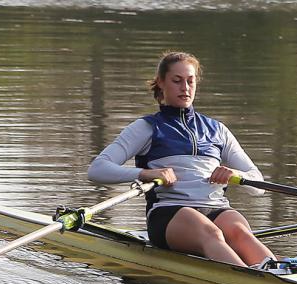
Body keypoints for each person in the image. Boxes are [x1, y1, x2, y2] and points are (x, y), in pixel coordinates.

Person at [88, 51, 275, 268]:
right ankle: (251, 282)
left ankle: (282, 276)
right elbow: (97, 169)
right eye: (177, 81)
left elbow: (257, 184)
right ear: (161, 83)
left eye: (190, 81)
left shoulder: (218, 130)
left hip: (216, 207)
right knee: (212, 233)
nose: (185, 88)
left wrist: (236, 175)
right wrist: (145, 173)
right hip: (169, 212)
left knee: (241, 232)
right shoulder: (147, 127)